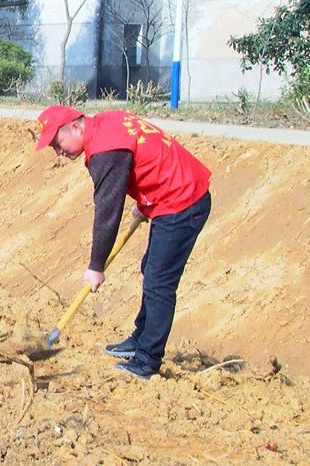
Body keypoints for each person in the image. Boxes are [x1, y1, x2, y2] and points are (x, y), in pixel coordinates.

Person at [35, 105, 211, 380]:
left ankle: (148, 358)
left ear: (76, 127)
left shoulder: (105, 151)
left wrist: (96, 266)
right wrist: (145, 199)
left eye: (58, 144)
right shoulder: (105, 123)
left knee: (159, 281)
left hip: (183, 201)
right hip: (169, 195)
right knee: (150, 269)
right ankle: (141, 339)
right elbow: (143, 156)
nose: (59, 152)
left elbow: (108, 211)